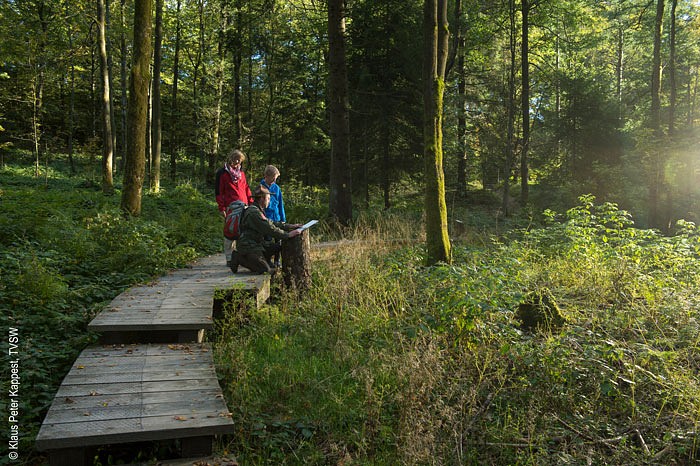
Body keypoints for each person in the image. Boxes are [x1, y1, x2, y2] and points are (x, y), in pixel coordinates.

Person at [232, 185, 301, 274]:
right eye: (268, 198)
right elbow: (270, 229)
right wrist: (287, 235)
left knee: (277, 247)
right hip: (249, 247)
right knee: (265, 270)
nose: (269, 201)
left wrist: (290, 226)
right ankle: (238, 257)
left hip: (257, 243)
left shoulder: (258, 209)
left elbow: (271, 223)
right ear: (261, 199)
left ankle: (264, 260)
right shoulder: (254, 212)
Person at [215, 150, 254, 268]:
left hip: (244, 205)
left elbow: (246, 189)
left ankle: (240, 257)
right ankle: (229, 257)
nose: (237, 162)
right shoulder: (222, 173)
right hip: (230, 207)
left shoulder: (241, 174)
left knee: (242, 232)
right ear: (230, 158)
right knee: (230, 232)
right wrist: (221, 207)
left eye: (240, 161)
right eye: (236, 159)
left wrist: (251, 203)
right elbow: (219, 191)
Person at [260, 165, 286, 267]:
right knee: (268, 241)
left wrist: (283, 219)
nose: (274, 180)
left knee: (278, 240)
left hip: (277, 218)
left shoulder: (276, 188)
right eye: (273, 178)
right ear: (266, 176)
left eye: (276, 179)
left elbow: (280, 204)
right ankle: (267, 260)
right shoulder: (261, 187)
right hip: (267, 218)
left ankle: (277, 260)